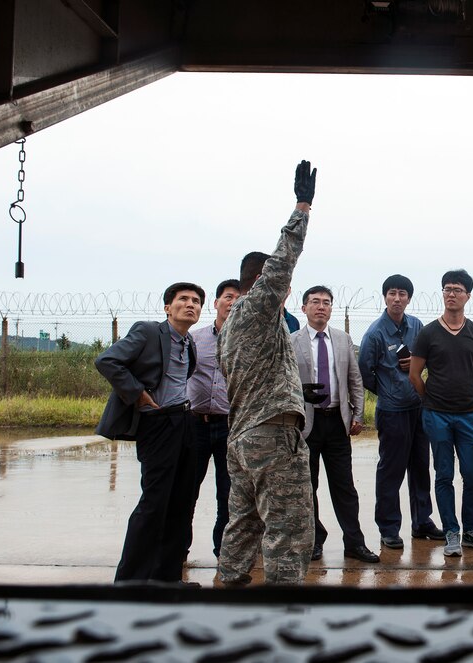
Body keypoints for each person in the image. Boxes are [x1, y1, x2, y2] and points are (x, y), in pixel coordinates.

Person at [216, 160, 317, 586]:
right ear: (261, 283)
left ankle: (231, 583)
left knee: (243, 521)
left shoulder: (231, 323)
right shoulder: (257, 306)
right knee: (289, 529)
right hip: (271, 434)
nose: (286, 290)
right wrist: (303, 207)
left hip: (242, 438)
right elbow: (283, 259)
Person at [96, 281, 204, 583]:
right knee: (155, 503)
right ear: (168, 307)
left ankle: (167, 579)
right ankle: (131, 581)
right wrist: (137, 392)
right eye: (183, 299)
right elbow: (107, 361)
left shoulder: (189, 342)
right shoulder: (147, 332)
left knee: (182, 504)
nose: (191, 304)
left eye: (196, 301)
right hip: (157, 424)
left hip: (185, 422)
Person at [409, 269, 473, 557]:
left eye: (457, 289)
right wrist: (431, 399)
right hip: (436, 415)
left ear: (468, 295)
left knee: (472, 474)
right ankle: (451, 532)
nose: (451, 294)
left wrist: (467, 397)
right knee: (443, 474)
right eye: (447, 289)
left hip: (469, 414)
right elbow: (414, 374)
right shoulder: (429, 332)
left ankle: (471, 529)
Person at [292, 285, 379, 564]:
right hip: (306, 424)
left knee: (345, 487)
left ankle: (354, 542)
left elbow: (355, 379)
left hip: (336, 423)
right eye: (315, 302)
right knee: (308, 487)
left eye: (326, 302)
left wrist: (357, 415)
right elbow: (286, 382)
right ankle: (314, 539)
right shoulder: (292, 341)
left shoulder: (342, 339)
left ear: (331, 308)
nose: (321, 307)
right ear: (304, 308)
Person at [359, 275, 443, 548]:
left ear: (409, 298)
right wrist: (388, 389)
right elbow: (365, 372)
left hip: (418, 407)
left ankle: (422, 522)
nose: (397, 298)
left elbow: (427, 358)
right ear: (385, 296)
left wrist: (415, 365)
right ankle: (389, 527)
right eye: (392, 293)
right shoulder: (374, 333)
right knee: (391, 471)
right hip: (393, 411)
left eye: (403, 294)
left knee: (421, 468)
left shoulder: (416, 325)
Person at [188, 279, 239, 559]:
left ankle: (224, 553)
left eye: (238, 298)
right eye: (227, 297)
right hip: (196, 424)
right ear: (216, 303)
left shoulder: (247, 343)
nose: (232, 302)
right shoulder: (195, 339)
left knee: (228, 496)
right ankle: (179, 550)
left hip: (230, 427)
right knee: (187, 491)